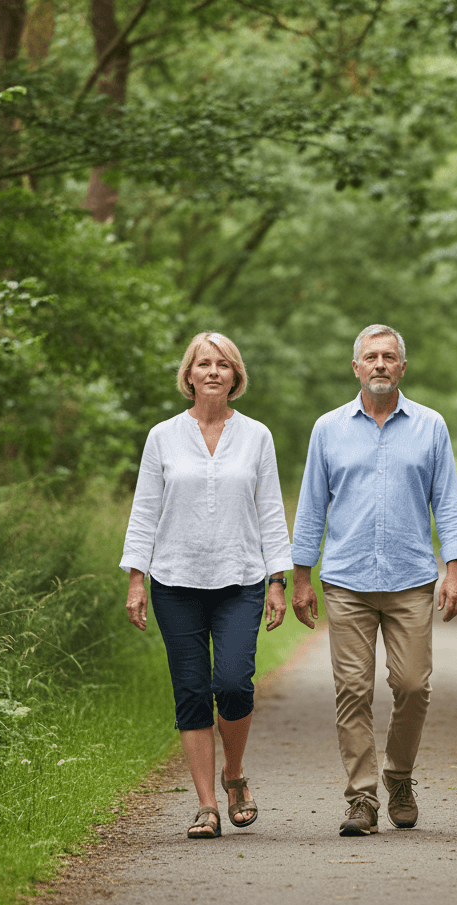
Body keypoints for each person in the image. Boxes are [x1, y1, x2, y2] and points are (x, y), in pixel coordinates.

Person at [290, 323, 457, 836]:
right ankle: (362, 798)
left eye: (389, 357)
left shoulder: (431, 426)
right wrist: (300, 576)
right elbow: (310, 508)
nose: (380, 365)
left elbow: (448, 503)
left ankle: (399, 775)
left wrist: (453, 569)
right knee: (352, 689)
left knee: (413, 686)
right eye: (371, 357)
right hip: (346, 580)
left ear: (402, 367)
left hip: (411, 577)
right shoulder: (328, 428)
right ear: (355, 367)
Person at [121, 331, 292, 838]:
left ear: (235, 376)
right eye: (204, 364)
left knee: (235, 683)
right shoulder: (163, 436)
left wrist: (277, 580)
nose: (213, 371)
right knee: (192, 692)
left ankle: (234, 773)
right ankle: (206, 805)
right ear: (189, 376)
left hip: (240, 580)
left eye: (223, 364)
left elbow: (270, 512)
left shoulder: (257, 436)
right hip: (175, 582)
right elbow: (145, 510)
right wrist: (137, 579)